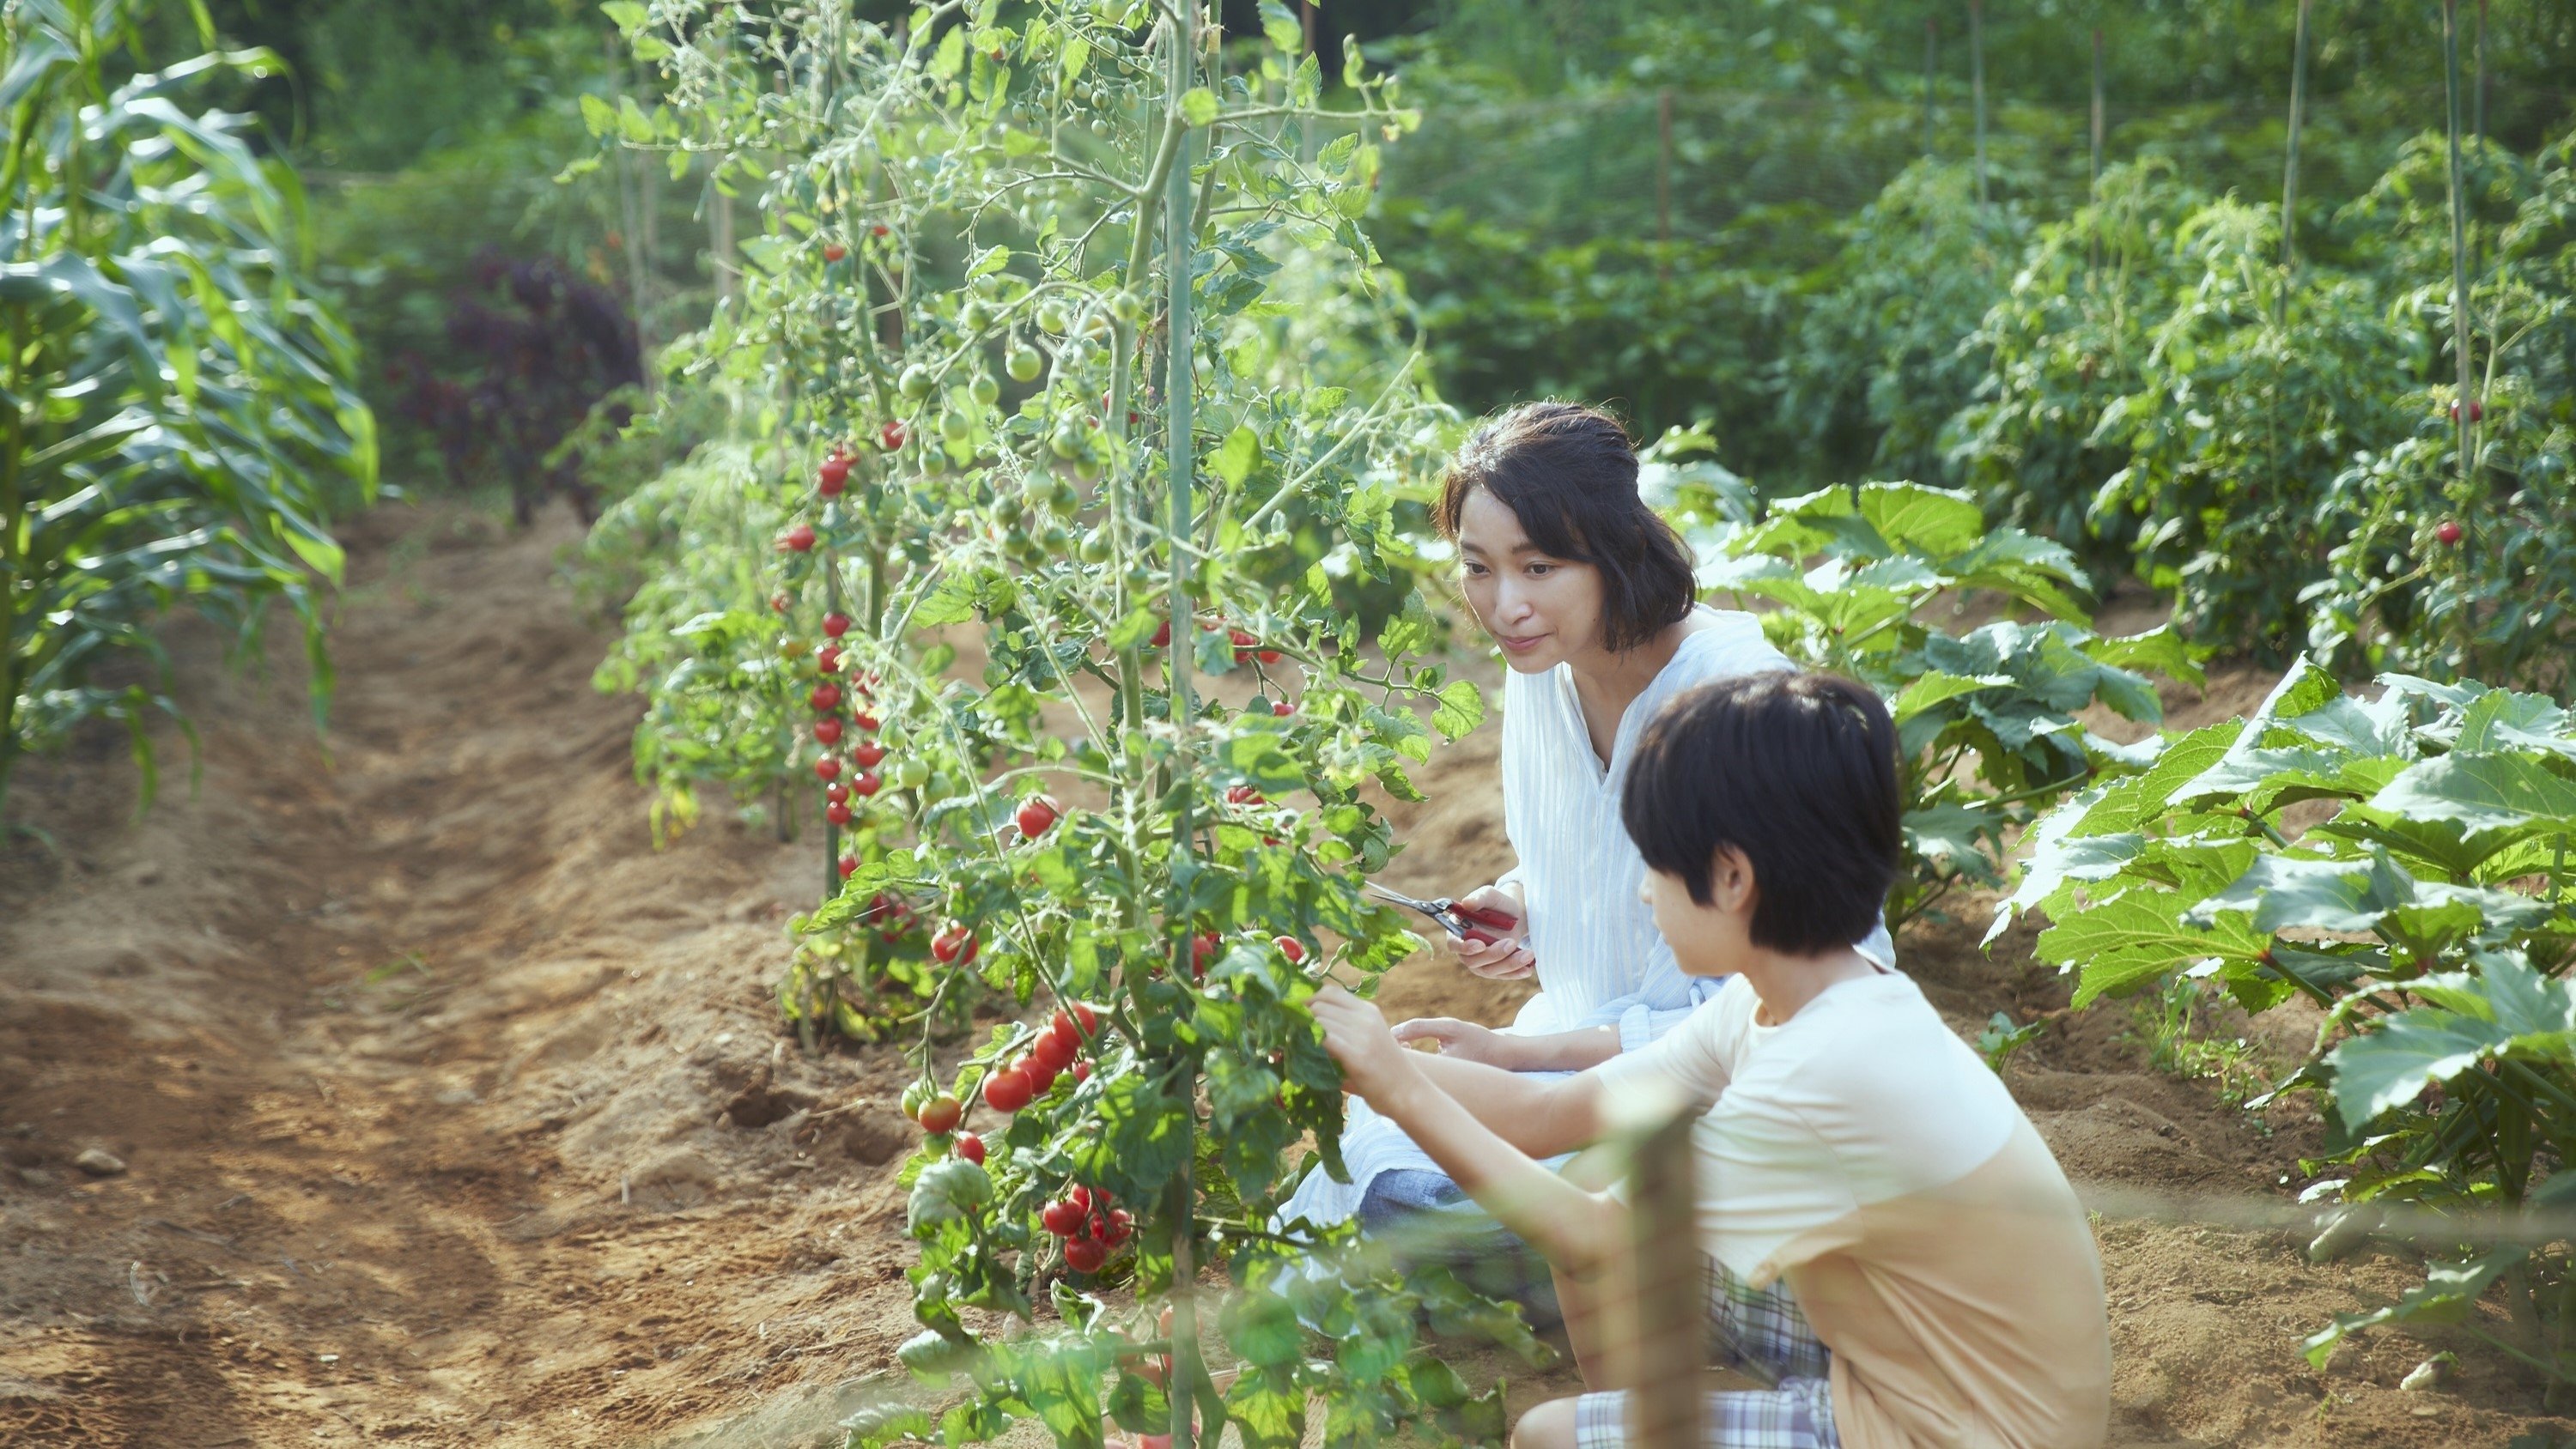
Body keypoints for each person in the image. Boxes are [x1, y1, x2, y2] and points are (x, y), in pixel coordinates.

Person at [1309, 672, 2111, 1449]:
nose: (1643, 895)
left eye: (1655, 866)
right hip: (1911, 1359)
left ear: (1731, 878)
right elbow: (1550, 1114)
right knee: (1594, 1197)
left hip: (1961, 1433)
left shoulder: (1823, 1070)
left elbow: (1590, 1238)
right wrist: (1355, 1062)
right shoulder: (1786, 996)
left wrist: (1399, 1089)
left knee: (1547, 1434)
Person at [1276, 403, 1892, 1290]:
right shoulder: (1544, 670)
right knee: (1357, 1175)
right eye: (1478, 568)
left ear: (1613, 548)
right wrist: (1526, 899)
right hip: (1581, 1057)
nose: (1505, 605)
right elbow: (1616, 852)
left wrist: (1528, 1056)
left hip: (1725, 1086)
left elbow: (1799, 997)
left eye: (1539, 566)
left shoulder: (1728, 700)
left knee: (1425, 1203)